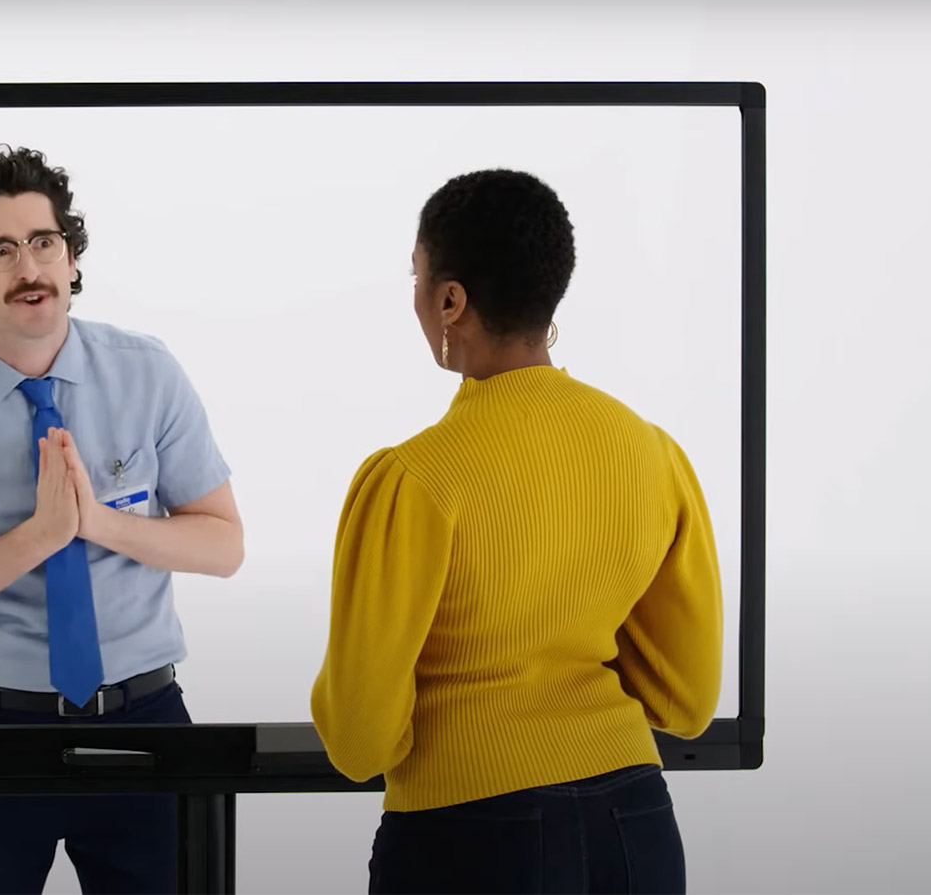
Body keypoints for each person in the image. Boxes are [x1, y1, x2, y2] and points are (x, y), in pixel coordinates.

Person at [310, 168, 723, 894]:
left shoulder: (413, 481)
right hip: (636, 821)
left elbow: (357, 739)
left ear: (450, 300)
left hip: (471, 836)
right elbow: (688, 700)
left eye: (417, 276)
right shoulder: (653, 452)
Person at [0, 145, 244, 894]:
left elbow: (223, 543)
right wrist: (36, 537)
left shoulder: (147, 371)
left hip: (146, 721)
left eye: (44, 242)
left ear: (70, 258)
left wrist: (95, 522)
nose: (29, 267)